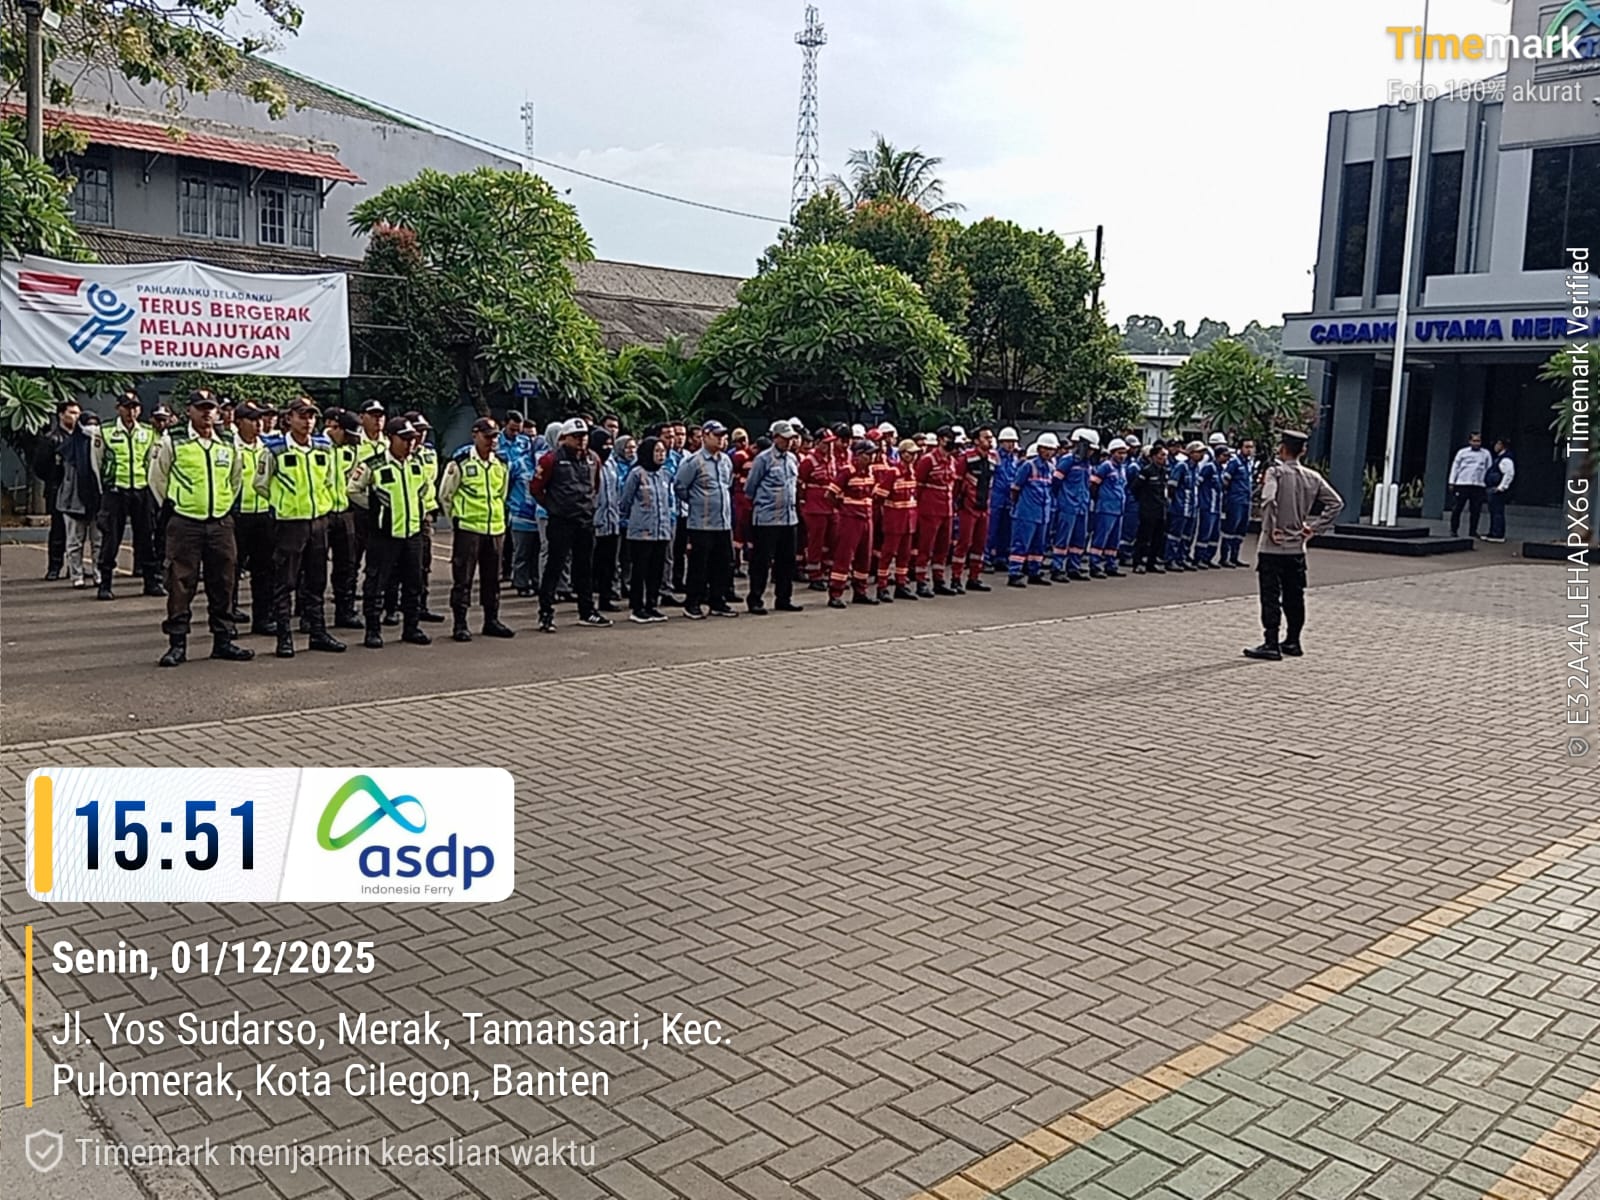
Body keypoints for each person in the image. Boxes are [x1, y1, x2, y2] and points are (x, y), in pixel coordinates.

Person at [147, 390, 253, 667]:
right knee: (180, 583)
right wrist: (176, 504)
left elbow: (236, 478)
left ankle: (224, 640)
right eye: (201, 407)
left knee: (225, 582)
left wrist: (224, 505)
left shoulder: (228, 441)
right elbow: (157, 478)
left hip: (220, 523)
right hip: (185, 523)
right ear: (189, 411)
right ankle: (177, 644)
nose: (207, 413)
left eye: (211, 408)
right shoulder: (173, 440)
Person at [253, 397, 345, 658]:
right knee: (285, 582)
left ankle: (318, 632)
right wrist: (283, 503)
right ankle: (284, 637)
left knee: (316, 580)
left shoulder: (323, 448)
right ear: (289, 418)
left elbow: (329, 481)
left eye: (311, 416)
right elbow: (260, 484)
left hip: (318, 522)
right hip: (290, 525)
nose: (308, 421)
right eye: (302, 416)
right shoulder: (275, 450)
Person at [1244, 430, 1345, 662]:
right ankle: (1293, 640)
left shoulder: (1275, 473)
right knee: (1295, 595)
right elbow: (1336, 503)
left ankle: (1271, 642)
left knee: (1270, 595)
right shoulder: (1312, 477)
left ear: (1282, 448)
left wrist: (1271, 527)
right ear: (1303, 450)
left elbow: (1268, 499)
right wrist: (1315, 527)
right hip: (1297, 545)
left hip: (1272, 547)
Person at [347, 416, 433, 649]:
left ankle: (412, 627)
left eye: (412, 439)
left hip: (412, 532)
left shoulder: (416, 463)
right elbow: (353, 489)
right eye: (404, 439)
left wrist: (421, 509)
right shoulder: (374, 464)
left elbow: (426, 489)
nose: (409, 443)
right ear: (390, 438)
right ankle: (373, 630)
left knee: (413, 583)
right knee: (376, 582)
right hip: (384, 534)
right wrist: (375, 507)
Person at [438, 416, 515, 642]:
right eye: (487, 436)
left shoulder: (501, 463)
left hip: (495, 528)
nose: (492, 441)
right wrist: (456, 520)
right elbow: (446, 495)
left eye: (495, 437)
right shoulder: (461, 462)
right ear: (475, 435)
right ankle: (460, 623)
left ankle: (491, 620)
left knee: (492, 579)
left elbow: (502, 494)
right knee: (463, 579)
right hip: (469, 528)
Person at [531, 417, 609, 633]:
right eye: (576, 436)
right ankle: (546, 613)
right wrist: (553, 507)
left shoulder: (593, 459)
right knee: (554, 567)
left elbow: (595, 486)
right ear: (564, 438)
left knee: (585, 568)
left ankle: (587, 611)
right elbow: (536, 488)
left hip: (585, 520)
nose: (581, 440)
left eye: (584, 436)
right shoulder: (551, 460)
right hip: (561, 521)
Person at [94, 390, 163, 599]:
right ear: (118, 408)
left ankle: (151, 582)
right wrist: (104, 489)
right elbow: (96, 462)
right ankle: (105, 584)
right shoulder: (105, 431)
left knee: (146, 537)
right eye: (127, 407)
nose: (131, 412)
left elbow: (152, 462)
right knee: (111, 538)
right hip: (116, 490)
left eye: (135, 407)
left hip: (141, 490)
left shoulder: (148, 432)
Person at [676, 419, 739, 620]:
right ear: (705, 436)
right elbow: (680, 486)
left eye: (723, 436)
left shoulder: (725, 461)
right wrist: (697, 501)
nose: (721, 440)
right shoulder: (694, 462)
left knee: (723, 564)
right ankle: (692, 603)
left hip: (723, 522)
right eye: (716, 435)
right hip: (701, 523)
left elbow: (727, 484)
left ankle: (717, 601)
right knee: (699, 565)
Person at [744, 419, 804, 615]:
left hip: (789, 518)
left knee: (787, 561)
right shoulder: (763, 459)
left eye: (791, 438)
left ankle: (784, 598)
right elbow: (750, 487)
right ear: (775, 438)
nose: (789, 442)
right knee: (761, 562)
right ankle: (755, 599)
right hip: (767, 518)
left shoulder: (792, 459)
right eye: (785, 438)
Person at [229, 403, 276, 634]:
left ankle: (263, 618)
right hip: (238, 515)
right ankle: (228, 615)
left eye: (260, 419)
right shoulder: (230, 446)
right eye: (252, 420)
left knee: (264, 569)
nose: (259, 424)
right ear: (238, 422)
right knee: (231, 569)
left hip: (263, 515)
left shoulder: (267, 447)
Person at [619, 435, 674, 623]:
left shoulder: (665, 474)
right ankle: (637, 607)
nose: (660, 455)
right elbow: (625, 500)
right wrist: (626, 519)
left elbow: (669, 500)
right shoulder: (636, 474)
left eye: (663, 451)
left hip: (662, 530)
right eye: (657, 451)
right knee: (640, 570)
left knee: (656, 570)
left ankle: (652, 605)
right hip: (641, 531)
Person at [826, 439, 880, 608]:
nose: (872, 457)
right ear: (858, 455)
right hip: (850, 519)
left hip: (867, 518)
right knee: (844, 556)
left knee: (865, 557)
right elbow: (830, 494)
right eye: (869, 454)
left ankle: (860, 591)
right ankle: (836, 593)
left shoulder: (871, 473)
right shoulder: (847, 472)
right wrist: (843, 509)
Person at [324, 410, 365, 628]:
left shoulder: (350, 449)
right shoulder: (319, 446)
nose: (351, 440)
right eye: (347, 435)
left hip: (345, 511)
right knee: (313, 567)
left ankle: (345, 611)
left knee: (347, 565)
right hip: (323, 513)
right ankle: (308, 616)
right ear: (335, 428)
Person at [32, 398, 78, 580]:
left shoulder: (81, 437)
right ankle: (55, 566)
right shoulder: (51, 438)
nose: (75, 416)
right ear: (61, 415)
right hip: (57, 489)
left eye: (78, 413)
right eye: (71, 413)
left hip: (77, 491)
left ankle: (75, 567)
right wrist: (53, 481)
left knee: (76, 532)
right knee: (58, 529)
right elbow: (40, 466)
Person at [914, 425, 959, 597]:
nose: (952, 442)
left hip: (947, 510)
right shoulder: (928, 460)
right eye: (949, 438)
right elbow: (918, 486)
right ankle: (921, 581)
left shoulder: (952, 461)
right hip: (929, 510)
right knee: (925, 547)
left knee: (943, 547)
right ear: (940, 439)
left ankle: (939, 580)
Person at [59, 410, 102, 589]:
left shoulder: (101, 444)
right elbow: (54, 471)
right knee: (74, 542)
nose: (92, 428)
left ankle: (99, 574)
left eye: (95, 424)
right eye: (88, 423)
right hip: (73, 501)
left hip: (98, 500)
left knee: (98, 542)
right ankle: (76, 575)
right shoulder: (68, 446)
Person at [951, 425, 997, 592]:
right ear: (976, 441)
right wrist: (956, 503)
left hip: (984, 507)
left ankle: (974, 578)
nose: (990, 440)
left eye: (991, 437)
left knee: (980, 544)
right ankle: (956, 579)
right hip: (968, 507)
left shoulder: (993, 458)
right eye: (986, 437)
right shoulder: (966, 458)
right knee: (964, 543)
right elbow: (957, 483)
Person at [1008, 434, 1058, 585]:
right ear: (1039, 449)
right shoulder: (1028, 466)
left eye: (1051, 449)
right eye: (1046, 449)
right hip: (1026, 513)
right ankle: (1014, 573)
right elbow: (1015, 488)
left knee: (1039, 545)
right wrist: (1019, 506)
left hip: (1043, 514)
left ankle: (1034, 572)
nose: (1048, 452)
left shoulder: (1050, 468)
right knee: (1021, 544)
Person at [875, 438, 920, 601]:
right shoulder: (893, 472)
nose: (914, 456)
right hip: (894, 520)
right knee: (888, 554)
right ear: (902, 454)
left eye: (915, 453)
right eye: (911, 453)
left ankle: (901, 584)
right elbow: (879, 496)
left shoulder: (913, 472)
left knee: (904, 555)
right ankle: (882, 586)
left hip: (908, 520)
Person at [1051, 429, 1097, 582]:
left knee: (1079, 539)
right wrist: (1063, 499)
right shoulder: (1067, 461)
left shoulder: (1087, 464)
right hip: (1068, 505)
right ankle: (1057, 568)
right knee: (1063, 538)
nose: (1091, 452)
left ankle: (1073, 567)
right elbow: (1056, 482)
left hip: (1082, 505)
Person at [502, 419, 540, 597]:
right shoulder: (518, 464)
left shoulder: (543, 465)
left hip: (538, 514)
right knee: (522, 552)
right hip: (520, 514)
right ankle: (521, 583)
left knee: (536, 553)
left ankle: (536, 581)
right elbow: (506, 485)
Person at [798, 428, 839, 589]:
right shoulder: (809, 461)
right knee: (816, 541)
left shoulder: (832, 459)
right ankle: (814, 574)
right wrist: (802, 503)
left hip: (830, 506)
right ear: (817, 443)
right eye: (825, 443)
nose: (829, 446)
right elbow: (800, 483)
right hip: (814, 507)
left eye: (831, 443)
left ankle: (827, 571)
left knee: (832, 540)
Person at [589, 427, 623, 613]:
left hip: (612, 520)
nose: (608, 448)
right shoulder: (589, 462)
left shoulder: (611, 463)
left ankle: (606, 598)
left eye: (611, 444)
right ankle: (587, 602)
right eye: (604, 445)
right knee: (591, 563)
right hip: (593, 520)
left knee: (609, 563)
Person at [1088, 438, 1129, 578]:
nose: (1122, 456)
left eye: (1124, 453)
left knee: (1114, 539)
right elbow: (1094, 485)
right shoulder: (1106, 466)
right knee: (1101, 537)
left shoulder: (1122, 468)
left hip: (1118, 508)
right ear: (1112, 453)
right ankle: (1095, 565)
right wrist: (1099, 500)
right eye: (1119, 453)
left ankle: (1111, 565)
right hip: (1106, 508)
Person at [1130, 444, 1170, 574]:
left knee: (1158, 538)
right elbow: (1135, 488)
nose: (1164, 458)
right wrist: (1144, 501)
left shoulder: (1164, 471)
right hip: (1148, 509)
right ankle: (1138, 562)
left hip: (1161, 509)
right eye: (1161, 455)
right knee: (1144, 538)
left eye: (1165, 456)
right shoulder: (1147, 471)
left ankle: (1151, 563)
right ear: (1153, 457)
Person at [986, 427, 1022, 571]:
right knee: (991, 530)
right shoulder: (994, 456)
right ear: (1001, 442)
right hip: (996, 497)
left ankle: (1001, 558)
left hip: (1008, 498)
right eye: (1008, 441)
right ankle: (986, 558)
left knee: (1006, 530)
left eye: (1013, 441)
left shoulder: (1014, 458)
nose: (1011, 445)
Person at [1448, 432, 1493, 538]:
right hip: (1463, 483)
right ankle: (1454, 530)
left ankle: (1473, 531)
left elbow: (1489, 468)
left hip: (1478, 484)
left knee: (1476, 509)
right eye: (1474, 441)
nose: (1476, 443)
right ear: (1470, 441)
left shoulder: (1486, 453)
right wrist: (1452, 482)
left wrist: (1487, 483)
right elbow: (1455, 467)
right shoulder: (1462, 452)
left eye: (1478, 441)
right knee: (1457, 508)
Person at [1166, 442, 1203, 570]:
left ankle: (1182, 558)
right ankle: (1170, 559)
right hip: (1180, 507)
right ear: (1190, 453)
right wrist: (1176, 502)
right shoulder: (1181, 466)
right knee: (1175, 535)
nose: (1201, 455)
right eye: (1198, 452)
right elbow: (1172, 486)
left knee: (1188, 535)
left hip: (1192, 507)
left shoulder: (1196, 468)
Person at [1220, 438, 1255, 568]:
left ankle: (1234, 557)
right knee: (1231, 528)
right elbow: (1225, 481)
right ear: (1240, 448)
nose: (1249, 450)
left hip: (1246, 500)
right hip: (1235, 500)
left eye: (1251, 447)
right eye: (1246, 447)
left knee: (1241, 530)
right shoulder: (1234, 463)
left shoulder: (1249, 463)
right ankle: (1225, 557)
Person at [1192, 445, 1223, 568]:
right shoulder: (1209, 467)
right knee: (1205, 533)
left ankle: (1208, 558)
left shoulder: (1220, 468)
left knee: (1215, 535)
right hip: (1208, 505)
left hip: (1216, 506)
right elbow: (1198, 483)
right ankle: (1199, 558)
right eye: (1224, 455)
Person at [1485, 438, 1515, 543]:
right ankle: (1493, 532)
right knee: (1494, 511)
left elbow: (1509, 474)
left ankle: (1497, 533)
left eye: (1497, 444)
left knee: (1497, 511)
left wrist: (1501, 487)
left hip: (1497, 489)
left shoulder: (1505, 459)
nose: (1495, 446)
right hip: (1494, 488)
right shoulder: (1499, 458)